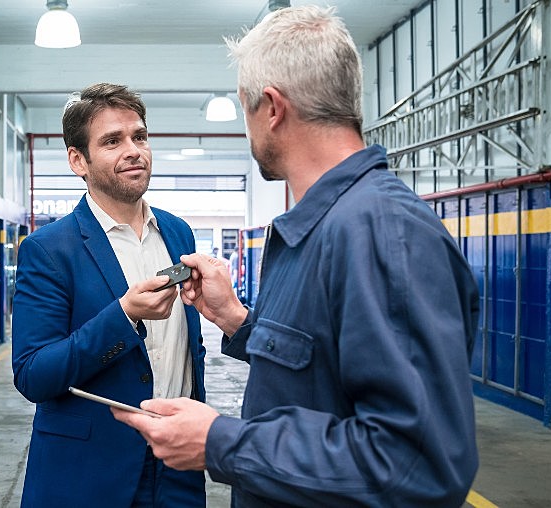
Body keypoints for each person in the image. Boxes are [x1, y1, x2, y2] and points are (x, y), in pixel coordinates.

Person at [112, 6, 481, 507]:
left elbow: (416, 465)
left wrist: (219, 441)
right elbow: (319, 374)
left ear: (272, 108)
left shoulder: (382, 233)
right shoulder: (315, 229)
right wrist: (236, 319)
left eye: (245, 111)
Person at [11, 83, 208, 506]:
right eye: (112, 141)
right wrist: (123, 316)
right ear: (77, 160)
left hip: (178, 466)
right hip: (90, 472)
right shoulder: (48, 249)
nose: (134, 149)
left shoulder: (177, 232)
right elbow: (32, 374)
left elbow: (188, 347)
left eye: (139, 136)